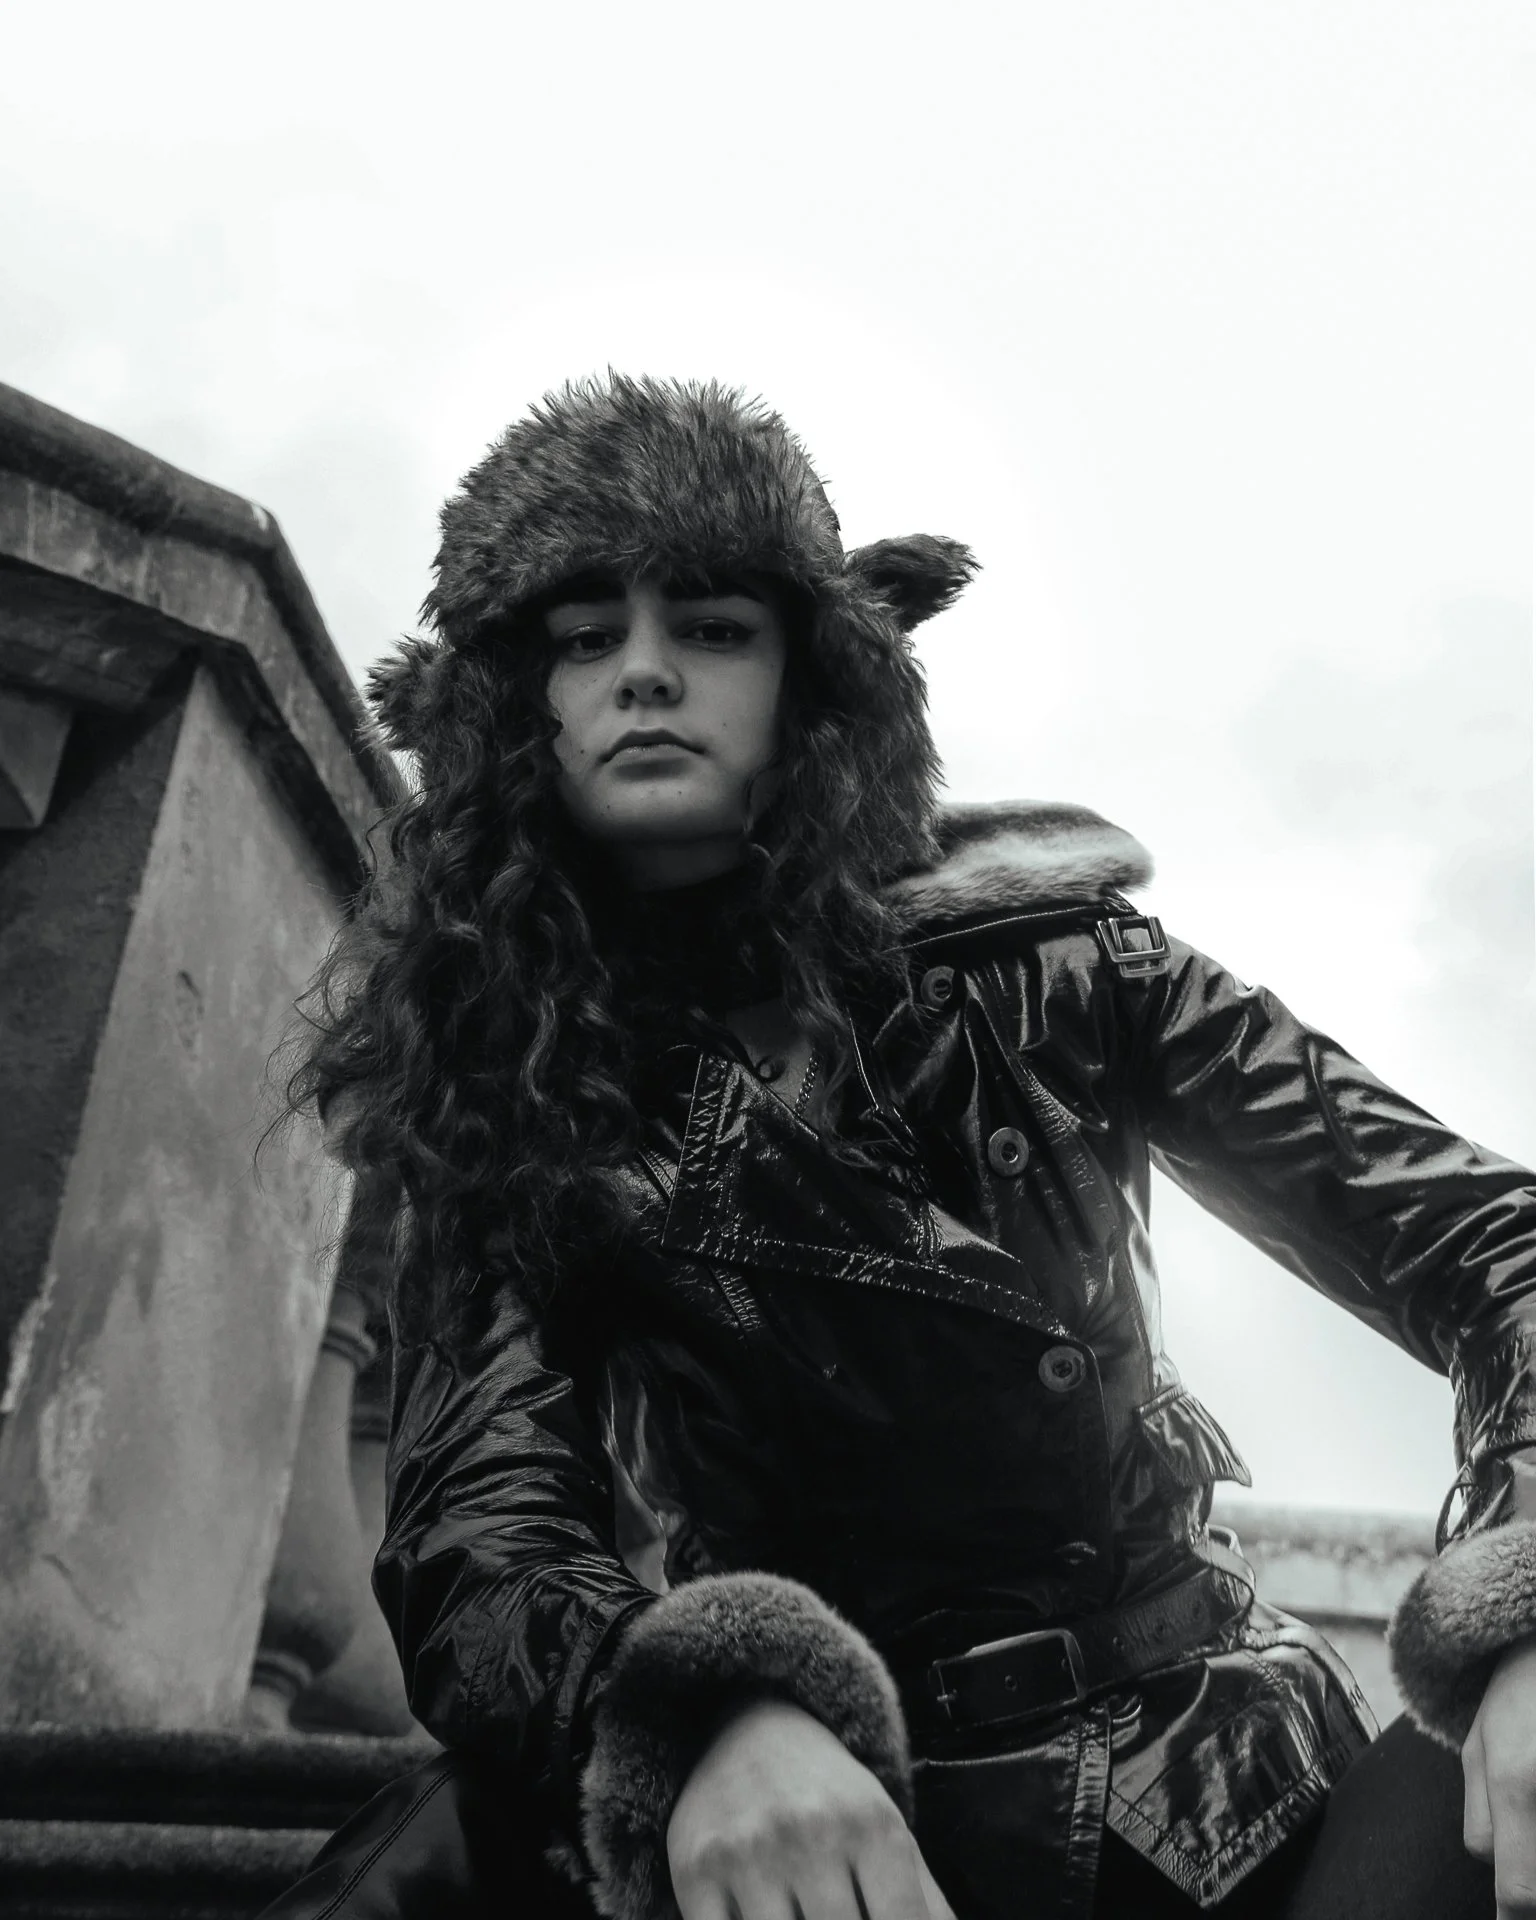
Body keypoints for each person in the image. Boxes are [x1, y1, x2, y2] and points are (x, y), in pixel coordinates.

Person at [264, 374, 1536, 1920]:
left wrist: (1525, 1610)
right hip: (823, 1796)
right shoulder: (499, 1087)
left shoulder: (1063, 963)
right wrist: (711, 1708)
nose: (645, 673)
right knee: (424, 1861)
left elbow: (1495, 1245)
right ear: (506, 709)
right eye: (586, 637)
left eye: (713, 627)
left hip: (1203, 1788)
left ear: (816, 676)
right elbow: (483, 1535)